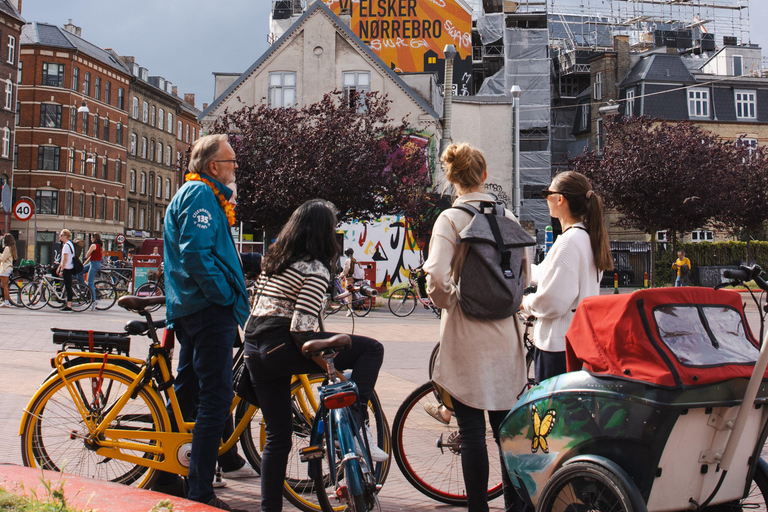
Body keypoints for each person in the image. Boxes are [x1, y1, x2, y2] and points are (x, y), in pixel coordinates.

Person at [244, 199, 386, 512]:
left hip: (255, 347)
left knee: (277, 437)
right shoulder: (316, 267)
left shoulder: (275, 260)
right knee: (371, 349)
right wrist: (331, 368)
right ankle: (358, 417)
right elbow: (302, 330)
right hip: (283, 344)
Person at [423, 143, 530, 512]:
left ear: (451, 178)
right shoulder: (510, 218)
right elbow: (525, 275)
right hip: (506, 333)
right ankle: (517, 507)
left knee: (471, 434)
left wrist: (449, 302)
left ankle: (478, 509)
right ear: (484, 175)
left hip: (467, 333)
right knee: (507, 434)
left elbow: (436, 276)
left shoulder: (451, 219)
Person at [159, 134, 250, 511]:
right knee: (216, 397)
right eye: (231, 162)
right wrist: (225, 296)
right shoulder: (200, 196)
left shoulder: (197, 194)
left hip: (190, 308)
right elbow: (195, 253)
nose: (235, 168)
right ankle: (200, 491)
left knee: (187, 394)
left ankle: (164, 477)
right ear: (213, 166)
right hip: (207, 311)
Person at [520, 171, 613, 383]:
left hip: (559, 347)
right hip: (578, 343)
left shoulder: (569, 242)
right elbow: (546, 272)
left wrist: (525, 303)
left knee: (554, 412)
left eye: (547, 193)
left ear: (560, 198)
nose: (545, 199)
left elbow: (552, 302)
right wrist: (521, 267)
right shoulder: (586, 237)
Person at [82, 234, 103, 310]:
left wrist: (88, 251)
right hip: (95, 263)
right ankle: (83, 286)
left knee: (90, 282)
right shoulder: (100, 246)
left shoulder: (93, 245)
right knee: (80, 271)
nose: (90, 239)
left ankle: (93, 300)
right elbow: (91, 257)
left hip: (94, 264)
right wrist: (83, 265)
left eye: (91, 238)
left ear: (94, 238)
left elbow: (87, 255)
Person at [57, 229, 76, 311]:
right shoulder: (70, 244)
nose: (59, 237)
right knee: (67, 285)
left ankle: (69, 305)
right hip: (70, 267)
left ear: (65, 236)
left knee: (68, 286)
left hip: (67, 268)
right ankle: (58, 288)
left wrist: (61, 269)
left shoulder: (66, 246)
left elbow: (65, 259)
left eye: (61, 235)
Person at [0, 233, 17, 307]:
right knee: (4, 286)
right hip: (8, 268)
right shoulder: (12, 248)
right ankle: (6, 300)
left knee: (5, 286)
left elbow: (2, 259)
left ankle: (6, 302)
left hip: (5, 269)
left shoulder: (7, 248)